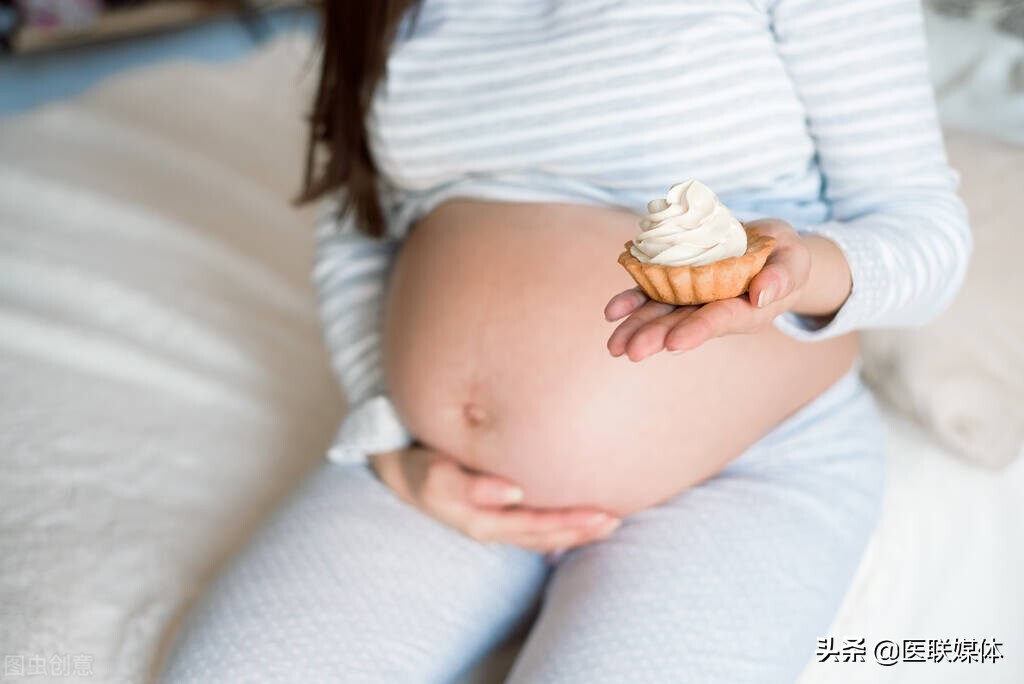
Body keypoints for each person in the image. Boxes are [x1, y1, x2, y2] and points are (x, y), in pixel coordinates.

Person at [161, 1, 971, 681]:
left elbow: (927, 236)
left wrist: (804, 270)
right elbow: (361, 229)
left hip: (744, 471)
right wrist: (392, 441)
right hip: (449, 471)